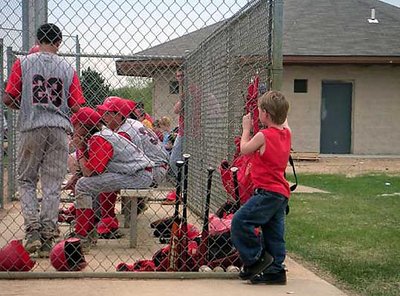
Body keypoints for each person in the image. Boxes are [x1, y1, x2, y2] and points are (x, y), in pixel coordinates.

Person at [2, 23, 85, 257]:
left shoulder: (23, 62)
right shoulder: (67, 67)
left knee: (26, 180)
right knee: (52, 184)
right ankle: (48, 235)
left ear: (38, 41)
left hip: (31, 127)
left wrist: (27, 104)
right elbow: (77, 106)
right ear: (58, 43)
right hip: (59, 129)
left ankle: (32, 232)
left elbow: (8, 99)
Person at [69, 107, 154, 251]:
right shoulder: (99, 135)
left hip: (138, 175)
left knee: (83, 185)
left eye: (75, 126)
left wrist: (80, 149)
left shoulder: (99, 138)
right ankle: (88, 230)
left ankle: (82, 235)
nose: (73, 131)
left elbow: (88, 172)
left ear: (83, 126)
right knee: (86, 184)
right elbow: (93, 173)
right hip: (135, 173)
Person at [230, 90, 291, 285]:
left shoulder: (263, 135)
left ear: (265, 113)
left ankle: (256, 260)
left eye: (259, 111)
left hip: (266, 192)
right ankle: (275, 271)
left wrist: (246, 128)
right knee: (273, 232)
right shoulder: (287, 133)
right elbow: (284, 120)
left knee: (240, 221)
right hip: (280, 194)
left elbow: (244, 149)